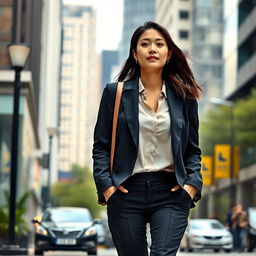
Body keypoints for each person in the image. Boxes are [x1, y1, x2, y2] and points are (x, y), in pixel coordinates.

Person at [92, 21, 202, 256]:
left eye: (159, 44)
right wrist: (107, 187)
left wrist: (191, 185)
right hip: (126, 190)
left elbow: (192, 149)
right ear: (135, 53)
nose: (152, 49)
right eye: (145, 44)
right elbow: (101, 146)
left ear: (169, 53)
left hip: (171, 191)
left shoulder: (185, 97)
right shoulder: (115, 93)